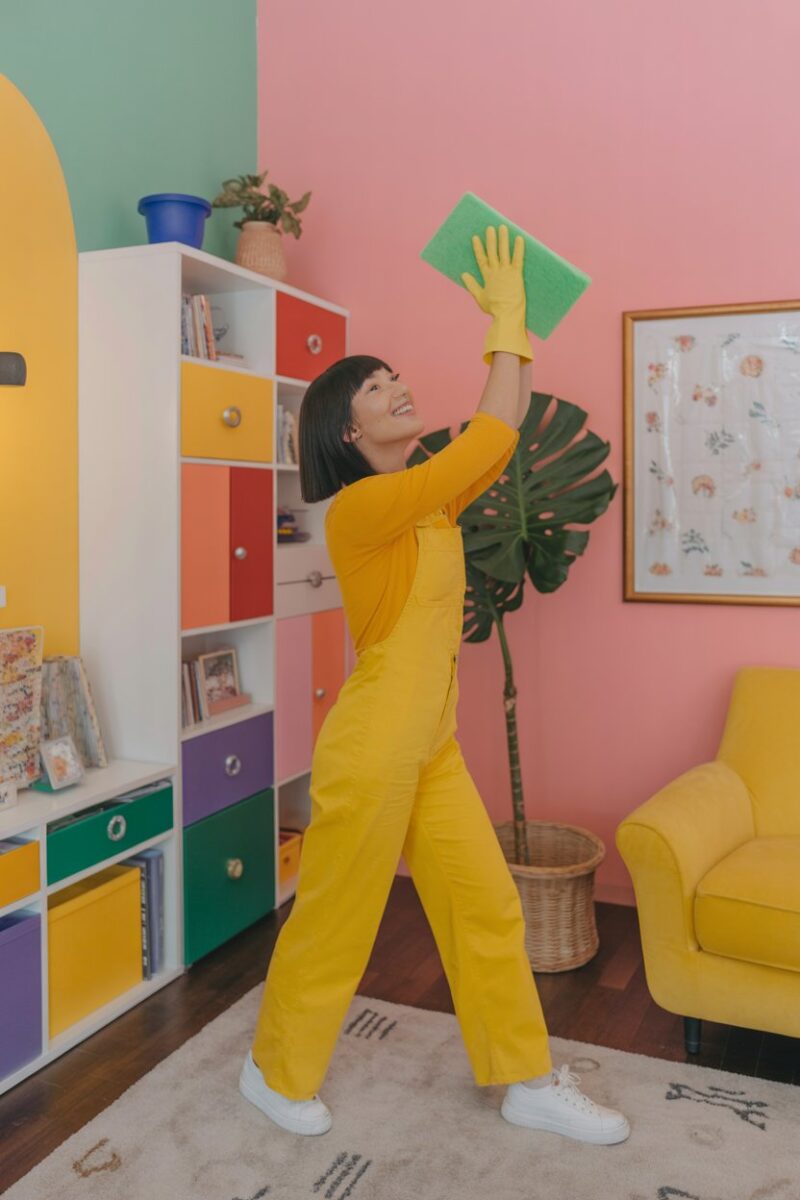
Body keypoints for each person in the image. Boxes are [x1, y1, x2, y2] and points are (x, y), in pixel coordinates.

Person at [239, 224, 630, 1146]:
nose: (398, 388)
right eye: (377, 388)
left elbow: (495, 444)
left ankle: (526, 1076)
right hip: (376, 744)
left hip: (430, 744)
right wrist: (502, 321)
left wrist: (517, 326)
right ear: (348, 427)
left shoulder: (423, 498)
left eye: (393, 377)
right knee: (338, 913)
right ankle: (274, 1070)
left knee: (485, 905)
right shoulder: (365, 507)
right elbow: (486, 435)